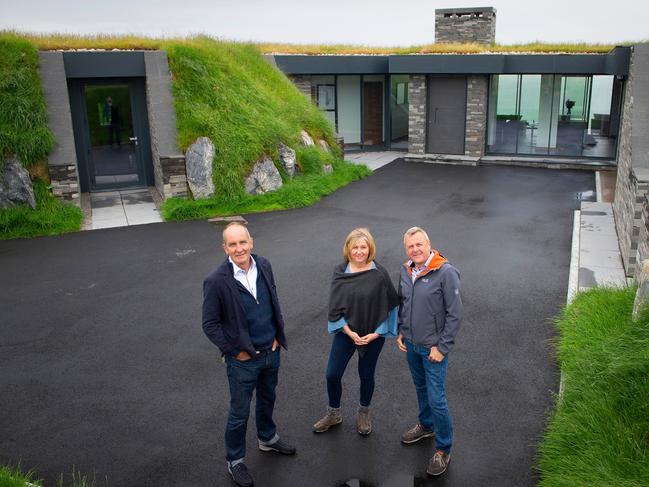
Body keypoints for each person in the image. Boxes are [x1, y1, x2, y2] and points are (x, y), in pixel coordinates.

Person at [202, 222, 296, 487]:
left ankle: (267, 438)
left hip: (271, 352)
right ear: (225, 248)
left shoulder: (264, 265)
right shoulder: (216, 281)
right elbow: (210, 324)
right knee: (239, 413)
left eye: (242, 242)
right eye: (232, 244)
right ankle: (235, 461)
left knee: (268, 399)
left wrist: (278, 335)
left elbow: (272, 302)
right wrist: (234, 350)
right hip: (242, 361)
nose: (239, 248)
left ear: (251, 242)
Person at [313, 228, 400, 436]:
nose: (359, 252)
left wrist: (377, 333)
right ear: (348, 249)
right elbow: (335, 306)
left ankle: (363, 412)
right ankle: (334, 413)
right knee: (332, 374)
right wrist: (348, 331)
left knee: (366, 374)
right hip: (346, 332)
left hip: (373, 335)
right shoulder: (341, 271)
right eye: (355, 248)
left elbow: (391, 305)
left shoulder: (379, 273)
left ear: (370, 248)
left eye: (363, 247)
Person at [396, 226, 462, 477]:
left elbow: (455, 314)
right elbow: (404, 304)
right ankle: (426, 425)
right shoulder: (406, 270)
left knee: (437, 397)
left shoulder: (445, 272)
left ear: (429, 244)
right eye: (410, 246)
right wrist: (401, 330)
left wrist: (442, 347)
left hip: (433, 349)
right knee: (421, 388)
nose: (415, 250)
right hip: (412, 344)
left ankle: (443, 448)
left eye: (419, 245)